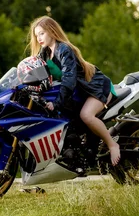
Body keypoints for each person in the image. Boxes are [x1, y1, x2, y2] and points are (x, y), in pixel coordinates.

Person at [27, 16, 120, 166]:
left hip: (95, 87)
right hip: (80, 92)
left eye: (42, 33)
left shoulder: (64, 49)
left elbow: (69, 80)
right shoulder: (44, 54)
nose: (38, 38)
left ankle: (112, 144)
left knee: (86, 115)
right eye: (36, 35)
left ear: (52, 31)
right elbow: (32, 72)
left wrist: (56, 103)